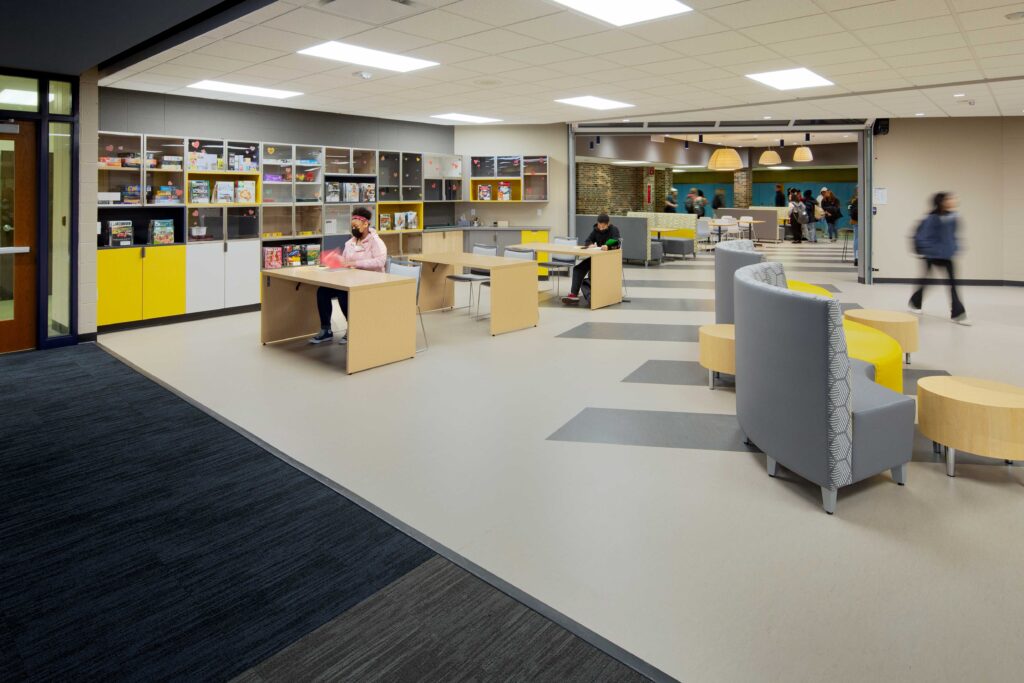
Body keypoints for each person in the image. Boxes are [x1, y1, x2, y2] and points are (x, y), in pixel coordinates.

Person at [309, 206, 387, 344]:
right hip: (351, 280)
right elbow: (345, 261)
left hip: (371, 281)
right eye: (352, 226)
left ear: (365, 224)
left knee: (343, 293)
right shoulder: (350, 242)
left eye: (356, 226)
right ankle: (326, 329)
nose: (354, 229)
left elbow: (380, 261)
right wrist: (335, 260)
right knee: (323, 291)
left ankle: (353, 328)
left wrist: (355, 263)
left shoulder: (376, 242)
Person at [909, 192, 969, 325]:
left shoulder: (954, 217)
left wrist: (955, 248)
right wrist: (928, 251)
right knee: (925, 281)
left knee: (953, 284)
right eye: (949, 199)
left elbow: (953, 236)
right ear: (941, 202)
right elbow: (923, 237)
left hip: (947, 255)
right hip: (932, 255)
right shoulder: (931, 218)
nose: (953, 200)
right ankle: (915, 302)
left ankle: (958, 314)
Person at [562, 213, 620, 305]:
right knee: (578, 269)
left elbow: (617, 243)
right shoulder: (595, 230)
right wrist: (590, 244)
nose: (600, 228)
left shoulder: (614, 230)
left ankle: (594, 297)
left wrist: (608, 246)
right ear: (597, 223)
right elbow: (587, 240)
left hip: (609, 259)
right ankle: (574, 294)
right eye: (599, 226)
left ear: (608, 224)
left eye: (603, 227)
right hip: (596, 257)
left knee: (593, 273)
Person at [848, 189, 859, 266]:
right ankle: (859, 257)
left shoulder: (854, 200)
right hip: (862, 221)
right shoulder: (866, 198)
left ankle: (856, 257)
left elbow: (850, 210)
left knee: (856, 238)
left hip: (855, 221)